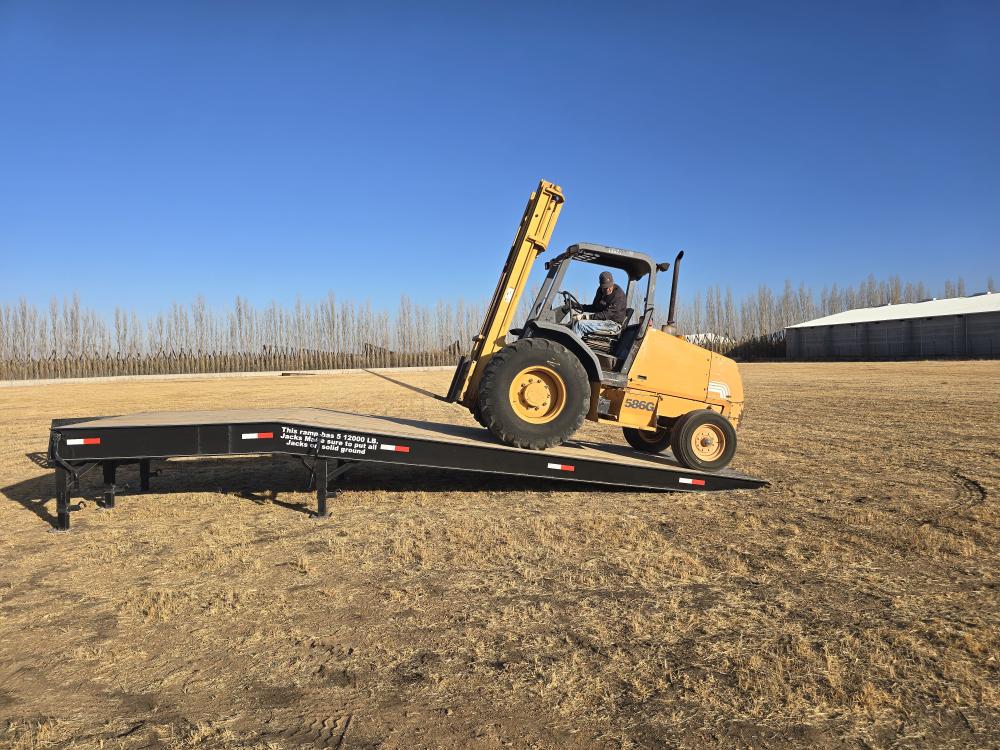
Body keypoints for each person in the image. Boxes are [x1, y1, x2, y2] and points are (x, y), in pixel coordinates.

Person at [572, 271, 627, 337]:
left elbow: (607, 315)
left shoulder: (618, 295)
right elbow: (594, 307)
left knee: (580, 325)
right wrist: (576, 305)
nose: (608, 289)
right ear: (601, 286)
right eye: (605, 288)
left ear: (612, 283)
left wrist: (585, 317)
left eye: (610, 286)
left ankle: (571, 346)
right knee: (573, 323)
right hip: (603, 321)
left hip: (613, 324)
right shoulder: (600, 291)